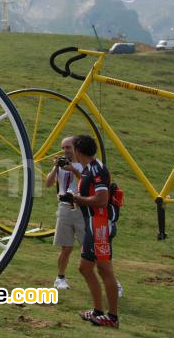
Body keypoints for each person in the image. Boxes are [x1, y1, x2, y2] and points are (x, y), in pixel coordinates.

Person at [62, 135, 119, 327]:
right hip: (92, 223)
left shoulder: (97, 170)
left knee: (104, 269)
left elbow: (102, 200)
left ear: (78, 151)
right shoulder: (87, 170)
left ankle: (111, 317)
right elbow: (89, 195)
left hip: (100, 224)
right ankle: (98, 311)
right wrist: (75, 199)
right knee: (85, 268)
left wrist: (78, 200)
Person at [45, 136, 85, 290]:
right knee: (66, 247)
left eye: (68, 147)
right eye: (63, 148)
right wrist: (56, 168)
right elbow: (48, 183)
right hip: (64, 207)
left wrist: (73, 169)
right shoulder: (61, 164)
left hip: (81, 206)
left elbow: (87, 182)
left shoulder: (84, 164)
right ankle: (60, 278)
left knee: (88, 246)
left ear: (76, 147)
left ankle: (106, 279)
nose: (65, 151)